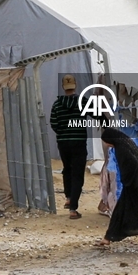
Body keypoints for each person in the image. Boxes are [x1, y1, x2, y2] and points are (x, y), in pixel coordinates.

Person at [97, 127, 138, 249]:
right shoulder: (126, 144)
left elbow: (132, 165)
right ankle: (107, 238)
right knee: (119, 212)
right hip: (134, 184)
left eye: (106, 141)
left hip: (132, 186)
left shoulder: (122, 149)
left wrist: (128, 180)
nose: (106, 144)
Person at [50, 74, 86, 219]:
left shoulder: (57, 104)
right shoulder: (83, 101)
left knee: (67, 169)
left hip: (63, 143)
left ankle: (68, 197)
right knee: (78, 174)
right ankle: (73, 209)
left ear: (63, 87)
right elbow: (96, 115)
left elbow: (54, 123)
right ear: (75, 85)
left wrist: (63, 133)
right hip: (79, 142)